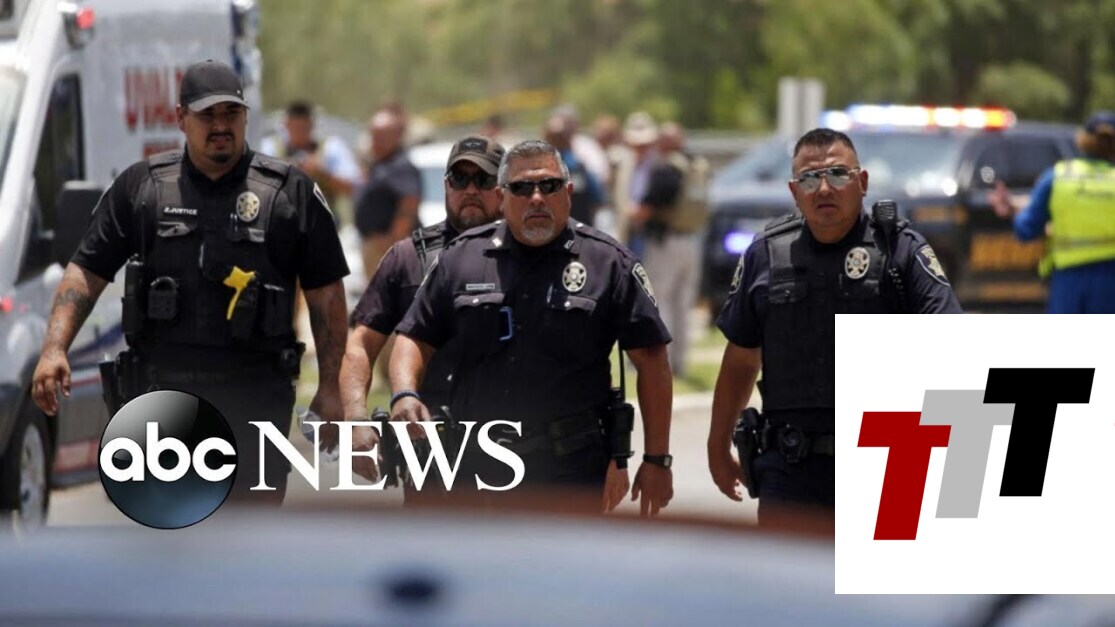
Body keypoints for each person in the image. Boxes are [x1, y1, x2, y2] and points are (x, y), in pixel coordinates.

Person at [30, 60, 350, 504]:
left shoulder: (289, 192)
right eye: (207, 115)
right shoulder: (142, 188)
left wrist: (331, 386)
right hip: (163, 398)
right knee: (173, 533)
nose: (220, 126)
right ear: (181, 118)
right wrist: (54, 348)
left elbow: (326, 292)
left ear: (245, 117)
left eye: (230, 113)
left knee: (250, 533)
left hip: (255, 396)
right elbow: (87, 269)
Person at [389, 140, 674, 516]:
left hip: (570, 469)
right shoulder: (461, 258)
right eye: (522, 188)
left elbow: (652, 360)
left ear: (568, 193)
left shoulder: (608, 263)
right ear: (501, 197)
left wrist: (656, 460)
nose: (536, 198)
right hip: (475, 467)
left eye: (549, 186)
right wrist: (404, 393)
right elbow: (413, 336)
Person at [707, 128, 962, 531]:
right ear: (794, 191)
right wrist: (718, 445)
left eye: (838, 174)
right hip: (789, 469)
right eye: (809, 179)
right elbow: (741, 357)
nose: (824, 188)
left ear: (862, 182)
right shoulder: (766, 254)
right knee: (784, 573)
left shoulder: (900, 249)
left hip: (883, 464)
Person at [339, 135, 506, 494]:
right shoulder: (408, 258)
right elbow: (360, 344)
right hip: (432, 446)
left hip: (513, 447)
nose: (470, 189)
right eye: (460, 179)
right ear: (446, 185)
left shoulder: (526, 256)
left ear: (503, 188)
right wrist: (355, 421)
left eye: (483, 179)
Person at [989, 111, 1115, 313]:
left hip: (1068, 282)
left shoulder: (1059, 176)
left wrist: (1012, 211)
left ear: (1084, 139)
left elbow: (1026, 229)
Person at [638, 121, 709, 378]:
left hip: (667, 241)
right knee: (683, 305)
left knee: (661, 300)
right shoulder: (697, 165)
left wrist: (633, 219)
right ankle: (680, 363)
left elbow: (650, 205)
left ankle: (663, 362)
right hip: (692, 241)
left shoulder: (667, 169)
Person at [353, 105, 421, 281]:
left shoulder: (401, 166)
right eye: (374, 136)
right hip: (375, 246)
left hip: (388, 249)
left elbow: (409, 203)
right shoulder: (379, 164)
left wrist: (392, 242)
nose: (375, 141)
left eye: (381, 136)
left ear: (396, 137)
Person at [259, 100, 362, 212]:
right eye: (295, 128)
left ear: (312, 125)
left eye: (303, 128)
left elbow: (352, 188)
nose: (299, 133)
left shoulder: (331, 148)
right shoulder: (270, 148)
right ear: (286, 125)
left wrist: (320, 173)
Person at [543, 113, 604, 228]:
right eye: (554, 136)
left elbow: (597, 196)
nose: (557, 140)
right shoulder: (539, 166)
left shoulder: (577, 165)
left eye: (560, 136)